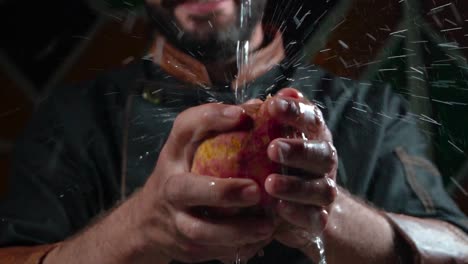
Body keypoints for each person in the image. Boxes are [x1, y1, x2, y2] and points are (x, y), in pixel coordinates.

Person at [0, 0, 467, 263]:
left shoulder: (372, 110)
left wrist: (329, 214)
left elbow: (457, 248)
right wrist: (136, 228)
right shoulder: (73, 118)